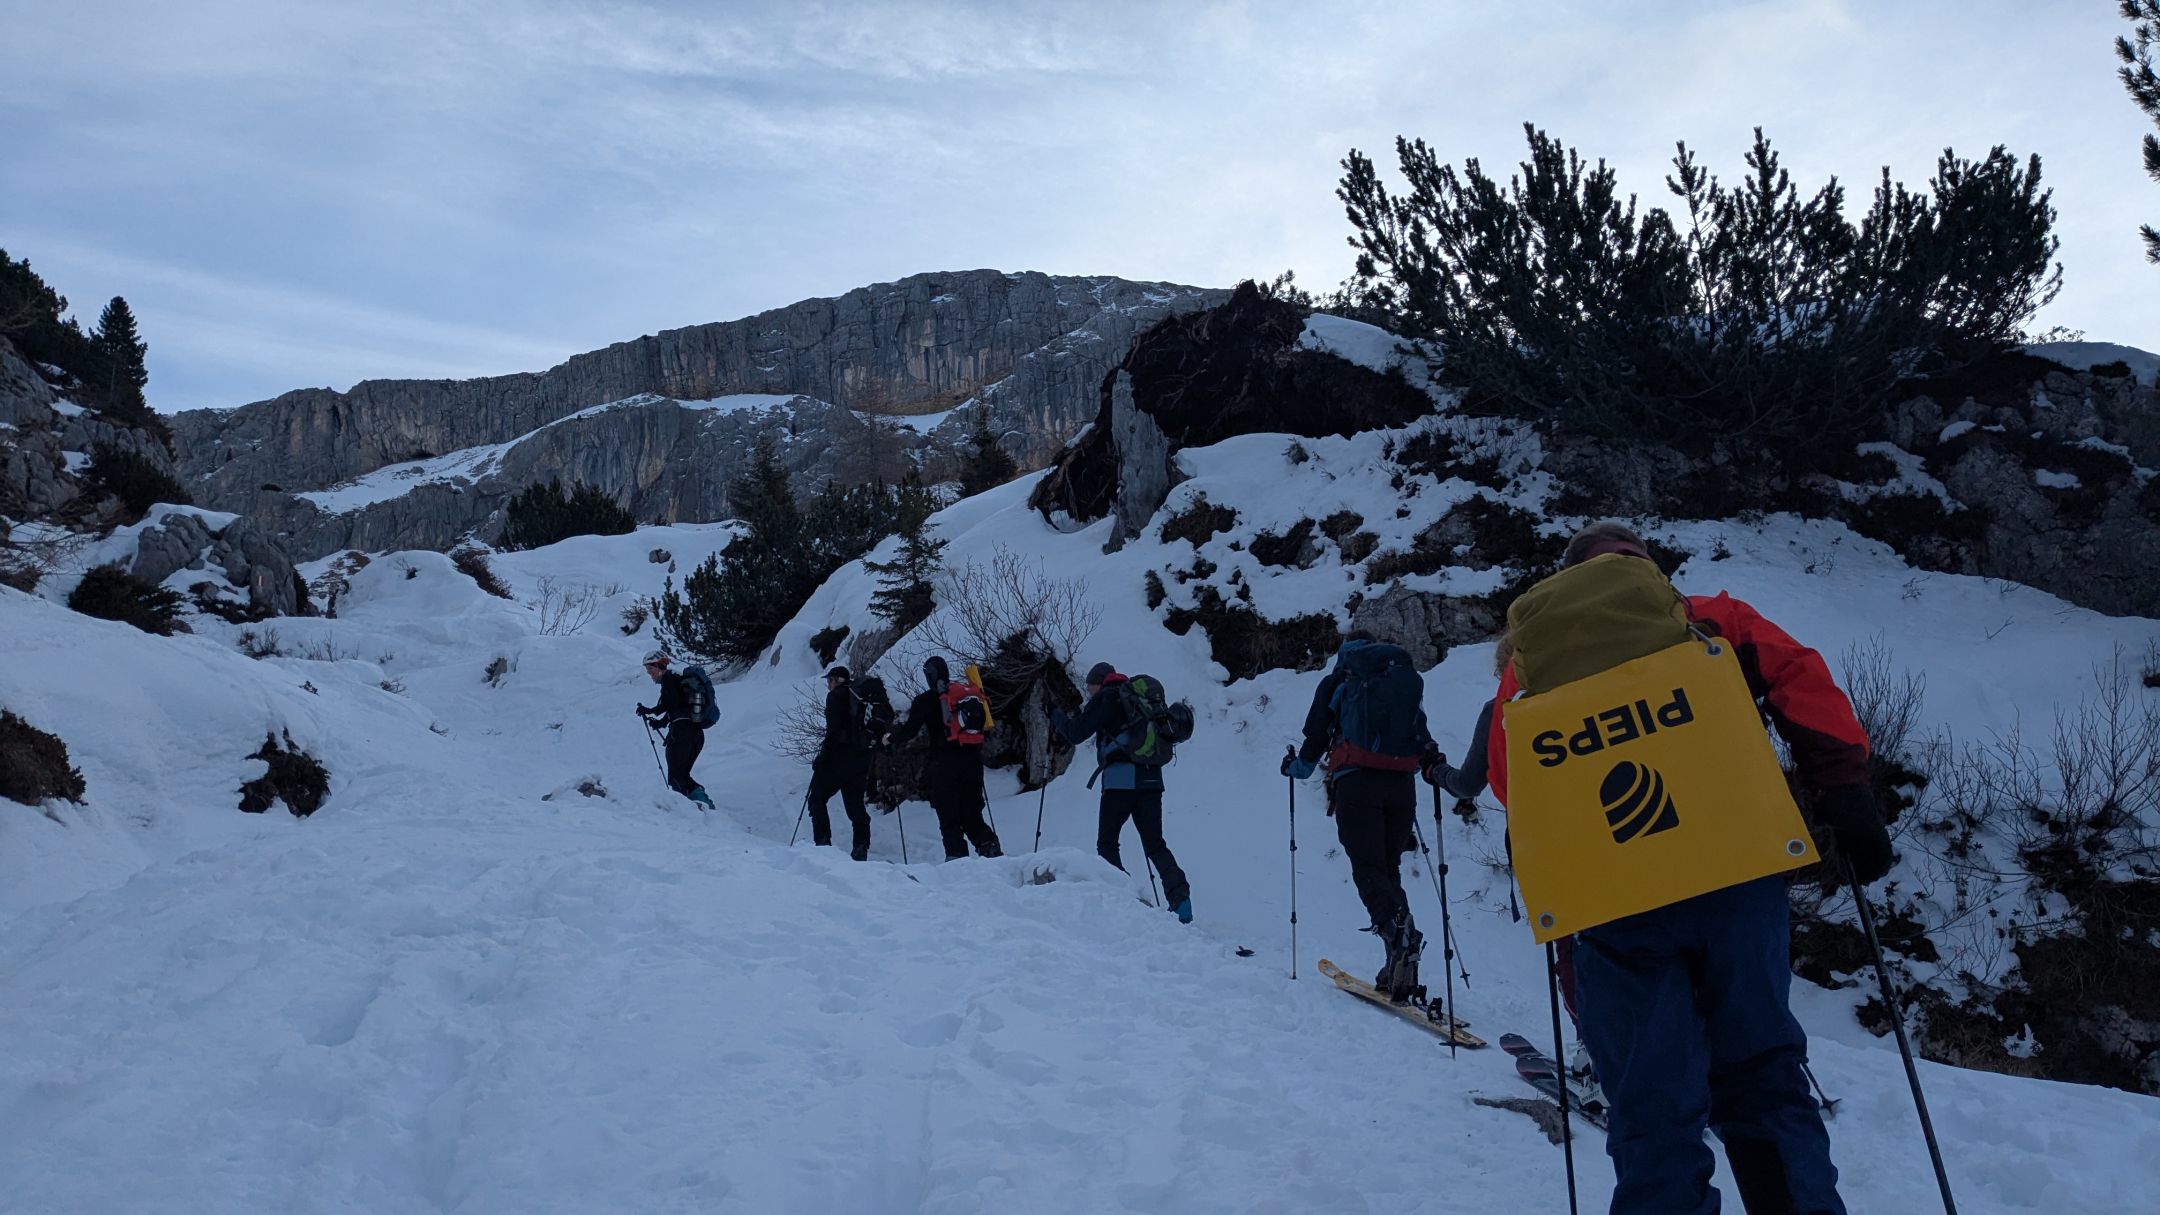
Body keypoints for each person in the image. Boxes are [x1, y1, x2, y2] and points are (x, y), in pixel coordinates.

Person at [1488, 521, 1893, 1215]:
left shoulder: (1529, 663)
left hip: (1616, 900)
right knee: (1761, 1074)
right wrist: (1843, 788)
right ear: (1647, 569)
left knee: (1652, 1100)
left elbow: (1508, 781)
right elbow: (1800, 675)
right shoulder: (1708, 618)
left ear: (1569, 575)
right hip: (1735, 873)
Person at [1284, 631, 1440, 1000]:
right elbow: (1420, 733)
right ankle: (1400, 963)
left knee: (1368, 869)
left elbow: (1315, 739)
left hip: (1357, 784)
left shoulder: (1340, 679)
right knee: (1388, 869)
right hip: (1401, 785)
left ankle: (1397, 936)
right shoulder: (1399, 680)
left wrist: (1294, 768)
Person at [1051, 662, 1194, 923]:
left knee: (1107, 844)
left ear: (1099, 682)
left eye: (1090, 688)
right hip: (1152, 780)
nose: (1089, 693)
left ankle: (1125, 899)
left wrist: (1055, 714)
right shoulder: (1141, 700)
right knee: (1155, 844)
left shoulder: (1107, 697)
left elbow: (1075, 733)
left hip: (1120, 782)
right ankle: (1181, 900)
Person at [886, 655, 1003, 860]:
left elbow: (909, 731)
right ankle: (991, 850)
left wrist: (890, 739)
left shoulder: (925, 700)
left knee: (949, 816)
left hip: (944, 764)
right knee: (972, 814)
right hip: (972, 762)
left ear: (929, 675)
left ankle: (957, 859)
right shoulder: (965, 695)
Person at [807, 665, 873, 860]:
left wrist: (822, 758)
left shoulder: (835, 697)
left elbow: (833, 731)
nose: (828, 684)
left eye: (829, 680)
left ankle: (823, 845)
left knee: (817, 799)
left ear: (836, 680)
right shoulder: (861, 697)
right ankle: (861, 847)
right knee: (855, 806)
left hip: (838, 759)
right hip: (861, 758)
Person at [636, 650, 713, 808]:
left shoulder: (669, 678)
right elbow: (676, 706)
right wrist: (661, 723)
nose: (650, 674)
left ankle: (697, 807)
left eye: (650, 669)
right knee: (681, 775)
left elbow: (669, 704)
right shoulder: (678, 680)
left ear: (659, 665)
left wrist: (650, 710)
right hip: (696, 733)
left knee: (676, 776)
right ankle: (702, 803)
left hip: (681, 733)